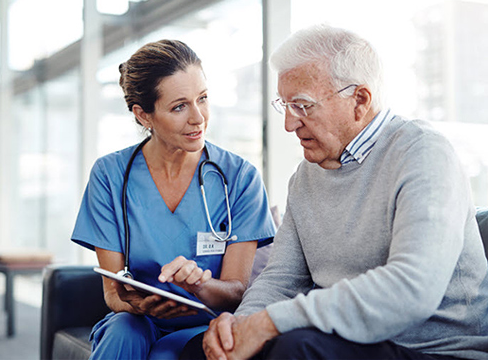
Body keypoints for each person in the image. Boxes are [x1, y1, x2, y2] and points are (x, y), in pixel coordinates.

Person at [182, 25, 488, 360]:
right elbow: (281, 280)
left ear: (359, 100)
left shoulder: (423, 153)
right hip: (342, 341)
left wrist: (271, 323)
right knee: (200, 352)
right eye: (284, 105)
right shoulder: (305, 177)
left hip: (431, 349)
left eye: (302, 105)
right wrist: (239, 330)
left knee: (295, 350)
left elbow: (412, 288)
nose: (289, 123)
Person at [71, 39, 276, 360]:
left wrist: (199, 287)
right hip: (138, 319)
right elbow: (112, 293)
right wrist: (134, 302)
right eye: (179, 106)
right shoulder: (110, 175)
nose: (198, 118)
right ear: (144, 115)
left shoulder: (240, 177)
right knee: (123, 333)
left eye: (203, 99)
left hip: (206, 322)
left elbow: (236, 291)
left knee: (167, 354)